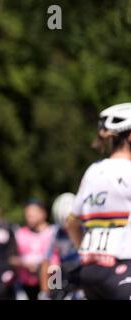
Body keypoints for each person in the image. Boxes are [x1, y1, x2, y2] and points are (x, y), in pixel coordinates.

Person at [66, 102, 131, 300]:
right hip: (122, 267)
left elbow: (72, 223)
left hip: (91, 270)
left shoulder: (93, 171)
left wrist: (86, 252)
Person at [38, 193, 82, 300]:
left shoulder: (85, 230)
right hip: (65, 273)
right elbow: (46, 263)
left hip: (83, 273)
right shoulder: (55, 233)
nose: (67, 229)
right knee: (54, 268)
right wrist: (45, 292)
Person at [15, 199, 56, 300]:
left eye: (33, 212)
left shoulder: (54, 232)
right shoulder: (19, 234)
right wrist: (24, 263)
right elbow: (10, 258)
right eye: (27, 213)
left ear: (43, 213)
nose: (29, 216)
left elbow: (58, 262)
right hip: (26, 284)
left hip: (53, 282)